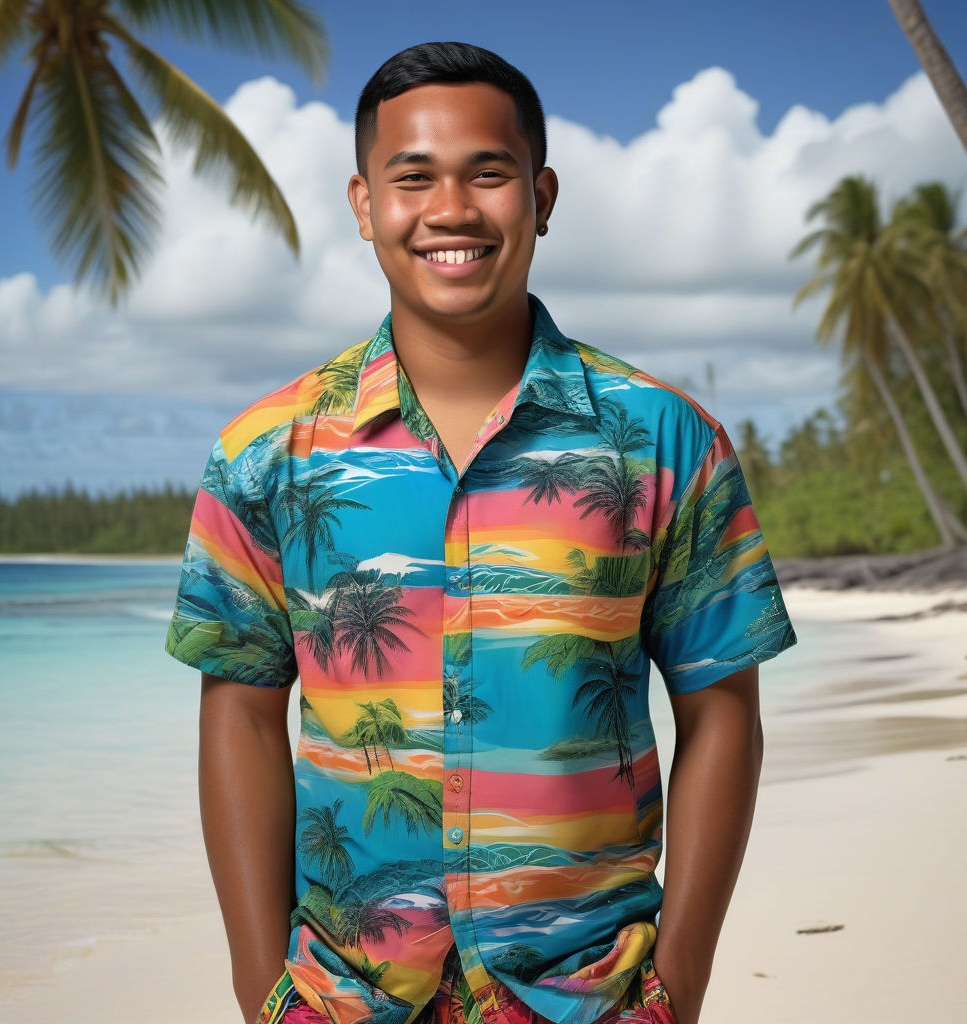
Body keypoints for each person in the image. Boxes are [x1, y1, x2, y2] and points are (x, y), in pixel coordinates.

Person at [165, 41, 798, 1024]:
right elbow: (241, 711)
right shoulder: (265, 454)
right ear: (364, 203)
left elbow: (721, 711)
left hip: (596, 994)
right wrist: (261, 995)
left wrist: (678, 987)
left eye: (488, 173)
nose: (450, 209)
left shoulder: (665, 440)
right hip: (342, 999)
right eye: (411, 177)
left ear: (541, 196)